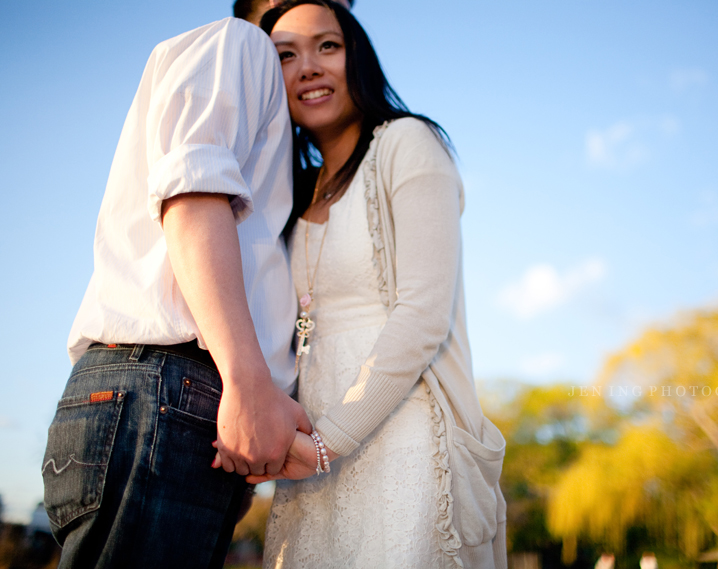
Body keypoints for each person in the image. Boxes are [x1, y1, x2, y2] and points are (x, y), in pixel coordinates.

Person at [41, 16, 314, 569]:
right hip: (169, 388)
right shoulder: (242, 44)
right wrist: (247, 381)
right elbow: (191, 192)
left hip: (171, 399)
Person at [249, 2, 508, 568]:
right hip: (311, 457)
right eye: (285, 56)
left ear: (357, 57)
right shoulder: (289, 193)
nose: (309, 67)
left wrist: (332, 439)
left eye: (328, 46)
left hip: (402, 437)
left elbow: (423, 314)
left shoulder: (407, 144)